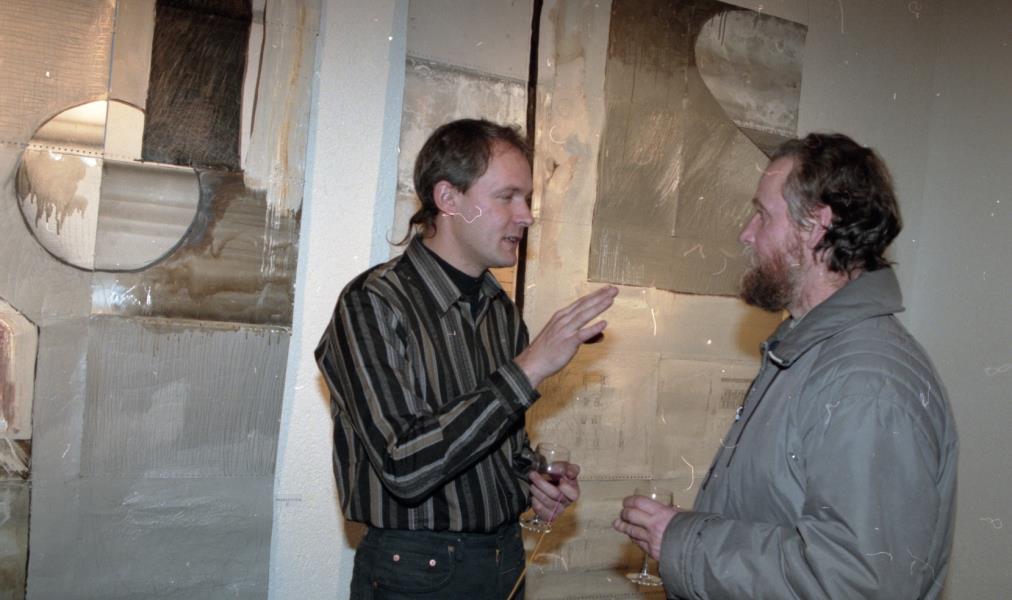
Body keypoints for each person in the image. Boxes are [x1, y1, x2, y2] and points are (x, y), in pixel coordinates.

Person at [613, 133, 958, 599]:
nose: (746, 233)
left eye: (762, 214)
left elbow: (856, 584)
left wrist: (683, 543)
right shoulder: (808, 353)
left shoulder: (867, 382)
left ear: (815, 226)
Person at [316, 118, 618, 599]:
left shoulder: (501, 312)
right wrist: (529, 367)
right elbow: (404, 464)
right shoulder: (373, 303)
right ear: (448, 198)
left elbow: (495, 444)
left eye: (527, 199)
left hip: (503, 558)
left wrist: (533, 478)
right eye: (507, 197)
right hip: (418, 572)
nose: (526, 216)